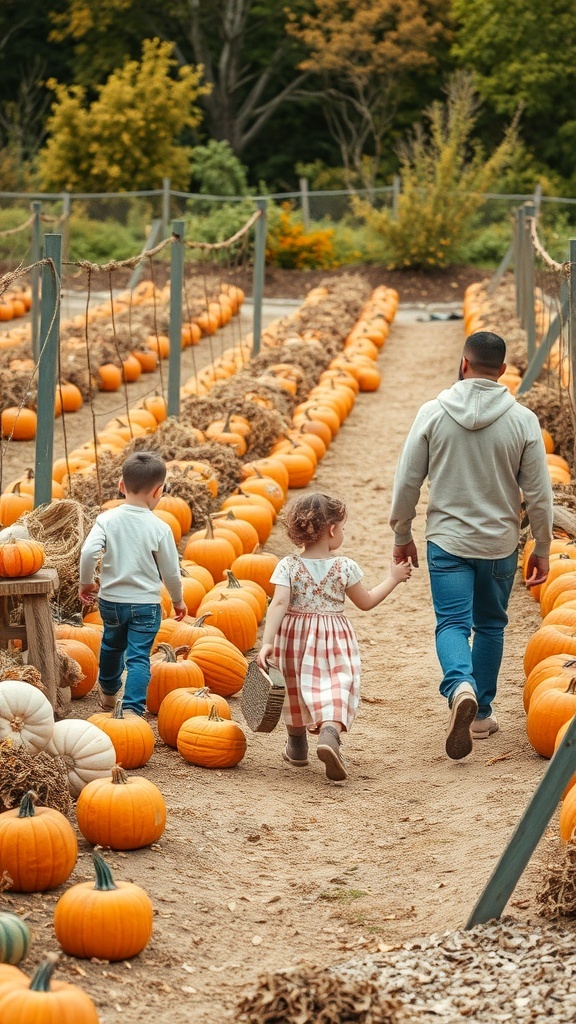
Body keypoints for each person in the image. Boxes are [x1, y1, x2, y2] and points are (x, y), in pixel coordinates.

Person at [389, 331, 553, 760]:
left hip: (447, 541)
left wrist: (401, 533)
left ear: (463, 364)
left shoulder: (432, 412)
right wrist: (542, 544)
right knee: (491, 625)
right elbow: (539, 494)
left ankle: (459, 684)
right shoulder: (522, 420)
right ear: (502, 372)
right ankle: (480, 712)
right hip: (499, 544)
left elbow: (408, 480)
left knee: (452, 625)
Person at [257, 492, 411, 781]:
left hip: (294, 638)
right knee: (337, 684)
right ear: (331, 530)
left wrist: (267, 643)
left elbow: (278, 604)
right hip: (334, 638)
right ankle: (329, 733)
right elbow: (365, 602)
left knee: (295, 688)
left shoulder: (288, 566)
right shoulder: (344, 567)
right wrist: (393, 577)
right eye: (342, 528)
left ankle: (298, 747)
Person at [79, 451, 187, 717]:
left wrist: (86, 583)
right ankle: (133, 711)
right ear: (159, 491)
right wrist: (177, 599)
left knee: (111, 646)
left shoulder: (106, 519)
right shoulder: (160, 527)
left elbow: (88, 553)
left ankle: (107, 692)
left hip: (112, 601)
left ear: (121, 486)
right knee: (138, 657)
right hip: (147, 605)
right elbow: (171, 571)